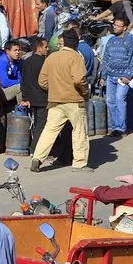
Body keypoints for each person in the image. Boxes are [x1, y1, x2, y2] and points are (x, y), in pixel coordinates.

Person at [31, 29, 93, 173]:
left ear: (63, 42)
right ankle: (79, 164)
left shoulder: (51, 57)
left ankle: (37, 158)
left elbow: (42, 81)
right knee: (79, 132)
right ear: (76, 43)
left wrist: (54, 88)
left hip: (55, 101)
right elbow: (79, 79)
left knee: (49, 131)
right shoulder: (76, 57)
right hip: (74, 101)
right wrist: (84, 91)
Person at [100, 17, 133, 138]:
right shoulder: (111, 40)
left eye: (117, 25)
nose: (114, 27)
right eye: (114, 25)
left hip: (123, 78)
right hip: (110, 76)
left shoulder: (131, 40)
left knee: (120, 100)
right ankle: (115, 127)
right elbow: (105, 58)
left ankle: (121, 128)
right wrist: (103, 76)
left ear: (125, 28)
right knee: (110, 101)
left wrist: (128, 75)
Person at [20, 37, 49, 155]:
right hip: (43, 99)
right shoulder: (43, 63)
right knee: (41, 126)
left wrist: (25, 98)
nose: (47, 49)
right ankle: (35, 149)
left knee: (36, 124)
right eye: (45, 47)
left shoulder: (27, 61)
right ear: (39, 48)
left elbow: (24, 81)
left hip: (31, 99)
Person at [0, 40, 23, 105]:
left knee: (24, 85)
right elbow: (4, 83)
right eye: (15, 50)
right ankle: (20, 110)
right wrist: (20, 81)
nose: (18, 52)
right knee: (21, 87)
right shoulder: (1, 62)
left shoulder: (16, 62)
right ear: (7, 51)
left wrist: (20, 81)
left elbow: (19, 77)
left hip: (7, 89)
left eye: (18, 50)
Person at [66, 20, 96, 86]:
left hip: (80, 82)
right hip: (87, 80)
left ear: (79, 37)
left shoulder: (77, 49)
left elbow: (76, 68)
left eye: (72, 36)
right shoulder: (88, 47)